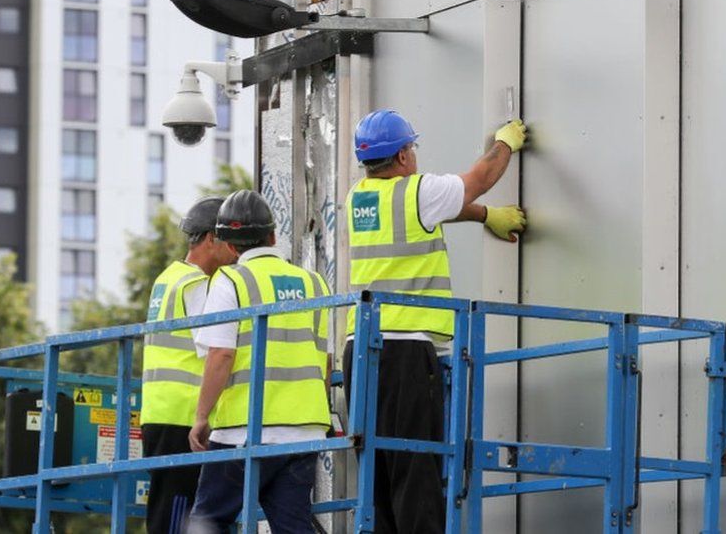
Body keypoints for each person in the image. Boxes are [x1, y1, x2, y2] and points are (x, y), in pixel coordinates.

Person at [343, 109, 528, 533]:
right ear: (405, 154)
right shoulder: (416, 191)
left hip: (361, 351)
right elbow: (478, 178)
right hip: (405, 350)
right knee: (416, 467)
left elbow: (441, 208)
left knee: (378, 469)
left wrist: (485, 216)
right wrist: (505, 144)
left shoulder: (360, 197)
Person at [187, 190, 332, 534]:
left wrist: (202, 417)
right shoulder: (313, 283)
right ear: (273, 236)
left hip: (246, 430)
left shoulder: (230, 281)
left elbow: (221, 355)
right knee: (291, 525)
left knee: (206, 522)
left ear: (230, 246)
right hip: (304, 432)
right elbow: (322, 361)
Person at [141, 196, 235, 534]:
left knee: (169, 511)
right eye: (230, 241)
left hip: (159, 414)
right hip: (182, 419)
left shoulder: (168, 278)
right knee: (179, 516)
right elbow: (215, 349)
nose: (236, 252)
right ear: (211, 239)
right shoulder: (197, 285)